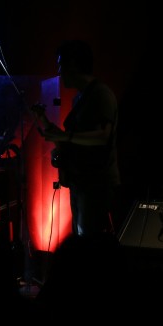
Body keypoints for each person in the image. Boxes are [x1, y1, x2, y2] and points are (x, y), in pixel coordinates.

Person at [31, 40, 120, 237]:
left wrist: (65, 136)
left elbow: (103, 136)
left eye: (61, 64)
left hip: (96, 184)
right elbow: (72, 141)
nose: (59, 71)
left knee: (90, 242)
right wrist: (44, 120)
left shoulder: (101, 94)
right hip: (81, 183)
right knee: (83, 239)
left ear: (73, 64)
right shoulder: (80, 98)